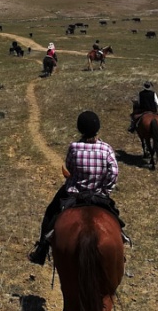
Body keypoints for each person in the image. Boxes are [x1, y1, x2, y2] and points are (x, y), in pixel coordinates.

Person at [28, 111, 121, 265]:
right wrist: (105, 190)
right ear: (98, 128)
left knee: (51, 213)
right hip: (98, 195)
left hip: (74, 193)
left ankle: (41, 251)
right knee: (115, 218)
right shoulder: (106, 149)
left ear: (79, 129)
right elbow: (114, 172)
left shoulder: (74, 147)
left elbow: (70, 168)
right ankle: (122, 239)